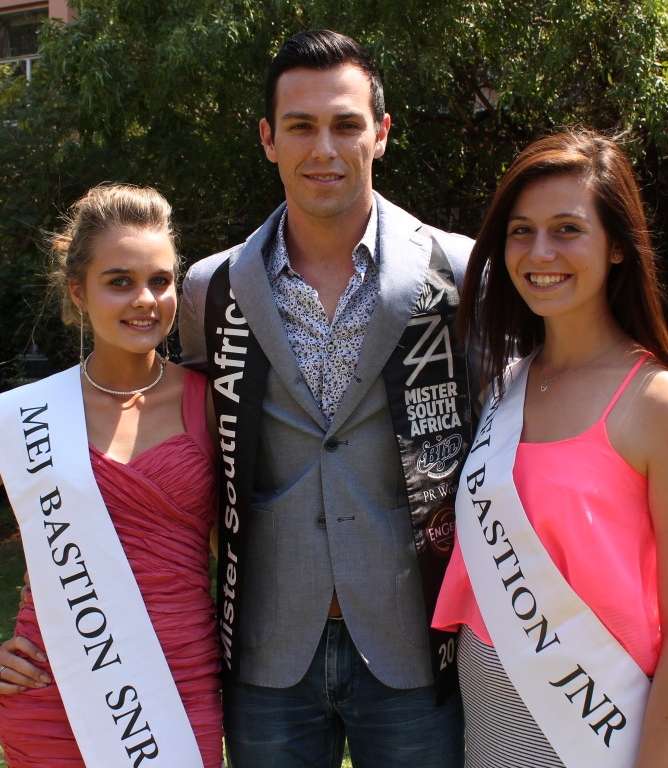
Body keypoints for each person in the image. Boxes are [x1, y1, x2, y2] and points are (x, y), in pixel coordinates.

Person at [179, 29, 474, 768]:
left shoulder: (459, 270)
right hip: (268, 650)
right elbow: (193, 451)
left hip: (416, 646)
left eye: (346, 124)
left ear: (381, 133)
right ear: (268, 139)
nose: (324, 148)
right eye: (301, 126)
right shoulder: (210, 289)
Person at [0, 184, 223, 768]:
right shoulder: (29, 416)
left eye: (160, 280)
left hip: (182, 690)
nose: (145, 299)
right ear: (78, 291)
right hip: (54, 693)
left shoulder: (212, 402)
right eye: (119, 281)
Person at [434, 129, 668, 768]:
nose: (540, 252)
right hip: (491, 726)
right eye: (521, 231)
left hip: (599, 734)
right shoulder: (505, 388)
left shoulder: (664, 408)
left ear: (618, 246)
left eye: (567, 229)